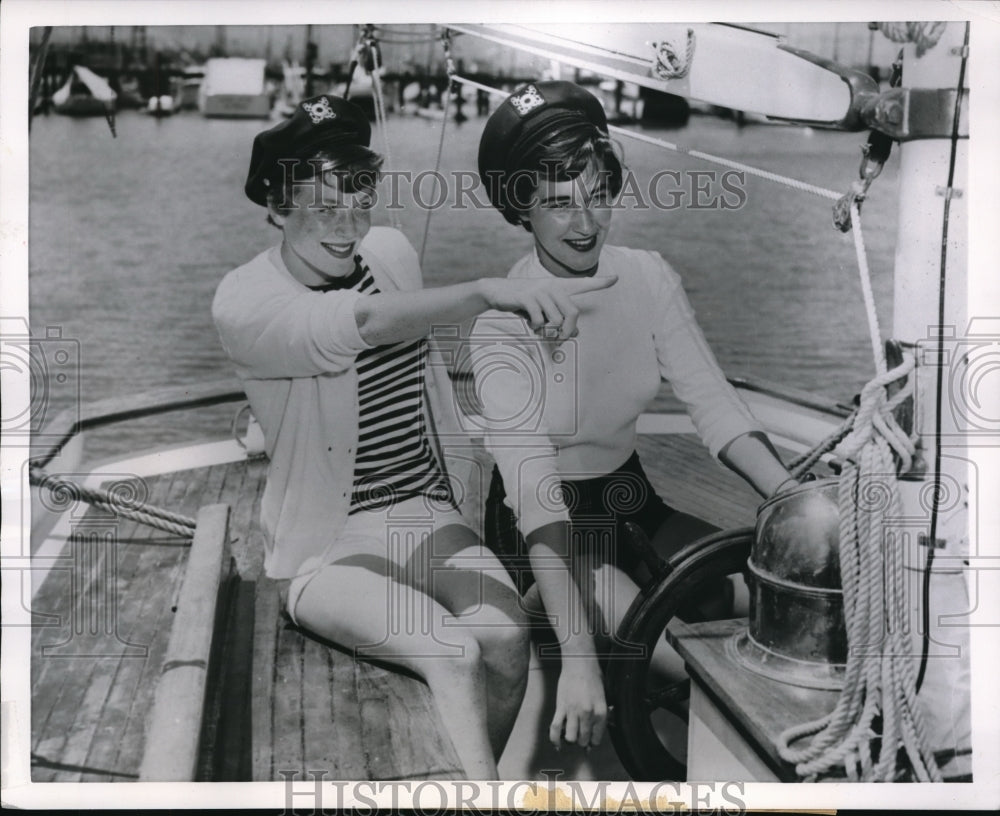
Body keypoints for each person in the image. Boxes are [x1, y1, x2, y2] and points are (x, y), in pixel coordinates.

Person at [211, 93, 615, 779]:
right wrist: (487, 291)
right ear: (278, 207)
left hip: (424, 512)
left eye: (359, 200)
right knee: (452, 652)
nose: (348, 226)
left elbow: (416, 358)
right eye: (323, 207)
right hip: (329, 543)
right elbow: (362, 325)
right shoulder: (245, 301)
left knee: (505, 635)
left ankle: (470, 779)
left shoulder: (390, 252)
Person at [469, 81, 798, 754]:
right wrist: (579, 662)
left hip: (629, 498)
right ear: (521, 208)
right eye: (559, 203)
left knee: (760, 591)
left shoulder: (647, 277)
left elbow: (713, 404)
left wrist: (793, 500)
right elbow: (536, 497)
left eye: (597, 195)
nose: (586, 222)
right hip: (540, 529)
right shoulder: (500, 325)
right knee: (671, 648)